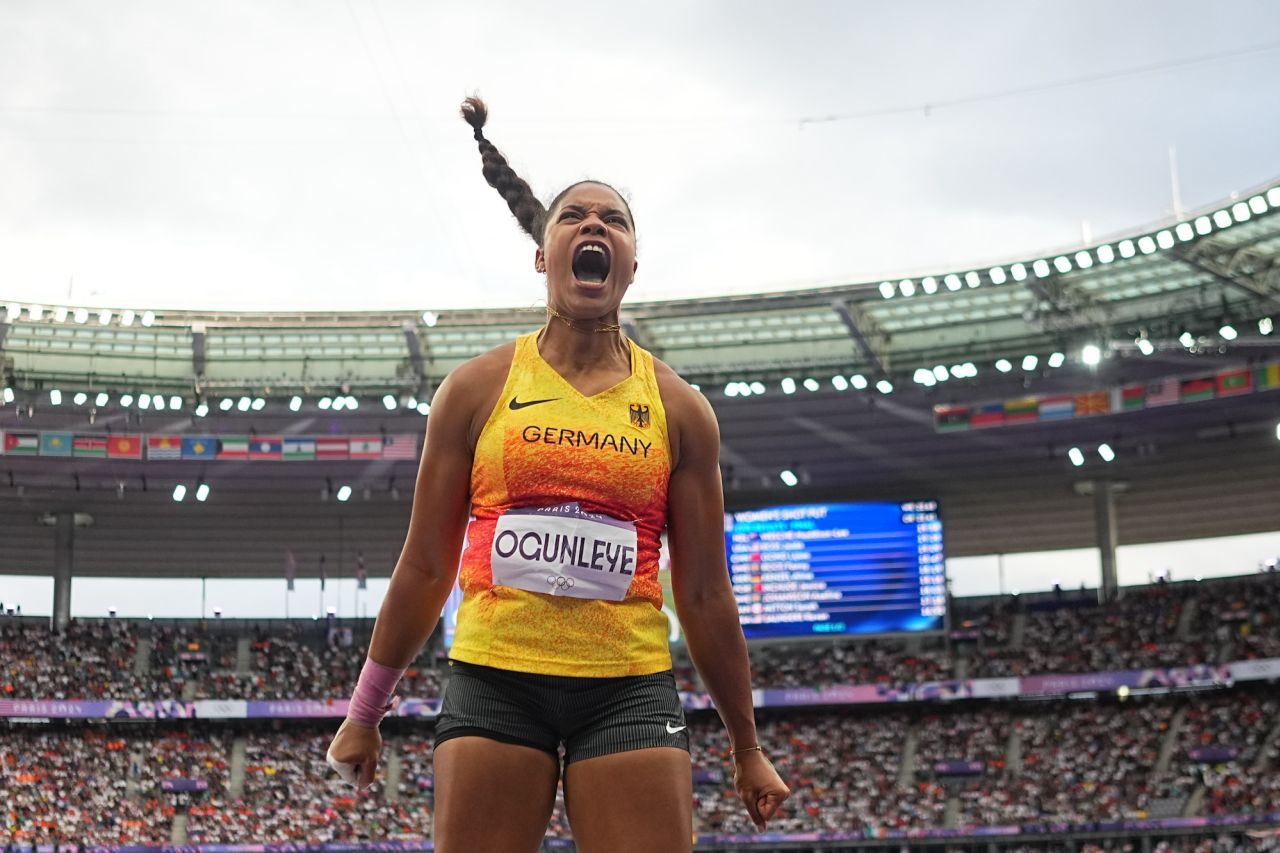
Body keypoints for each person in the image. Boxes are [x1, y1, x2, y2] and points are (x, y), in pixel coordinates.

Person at [326, 96, 789, 853]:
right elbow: (426, 562)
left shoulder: (680, 410)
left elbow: (704, 591)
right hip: (495, 677)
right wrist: (364, 711)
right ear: (543, 255)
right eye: (573, 215)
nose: (594, 225)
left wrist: (746, 746)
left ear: (632, 263)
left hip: (629, 684)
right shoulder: (476, 391)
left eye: (615, 218)